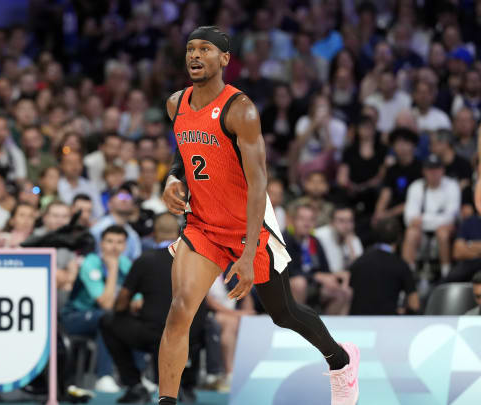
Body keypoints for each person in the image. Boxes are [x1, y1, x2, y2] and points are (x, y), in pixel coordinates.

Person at [158, 27, 358, 405]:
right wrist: (172, 178)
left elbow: (259, 183)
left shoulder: (241, 109)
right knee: (179, 310)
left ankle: (341, 360)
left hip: (248, 223)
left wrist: (248, 253)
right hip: (202, 225)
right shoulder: (176, 104)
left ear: (225, 59)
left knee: (283, 313)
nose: (195, 56)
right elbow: (182, 152)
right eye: (190, 49)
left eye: (205, 49)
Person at [101, 213, 206, 403]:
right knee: (196, 325)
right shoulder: (196, 259)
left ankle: (135, 385)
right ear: (180, 233)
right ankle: (187, 386)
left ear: (154, 234)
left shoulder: (145, 259)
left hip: (155, 333)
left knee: (108, 321)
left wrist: (131, 309)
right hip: (191, 332)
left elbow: (122, 301)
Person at [62, 225, 131, 393]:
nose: (114, 246)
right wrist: (113, 269)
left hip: (105, 317)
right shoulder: (90, 263)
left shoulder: (127, 264)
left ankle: (135, 378)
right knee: (107, 318)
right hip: (74, 317)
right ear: (101, 244)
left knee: (133, 319)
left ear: (125, 246)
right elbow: (106, 304)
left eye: (119, 242)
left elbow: (137, 301)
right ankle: (104, 376)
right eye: (109, 241)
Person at [401, 154, 461, 276]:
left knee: (442, 232)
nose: (434, 173)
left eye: (437, 169)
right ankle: (407, 278)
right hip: (421, 233)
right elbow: (409, 218)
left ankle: (447, 274)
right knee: (411, 233)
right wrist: (436, 219)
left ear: (443, 170)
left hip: (444, 232)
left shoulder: (452, 186)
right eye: (430, 169)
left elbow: (451, 217)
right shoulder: (416, 187)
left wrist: (423, 219)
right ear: (424, 171)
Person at [349, 218, 419, 315]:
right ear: (399, 238)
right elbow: (414, 304)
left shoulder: (359, 262)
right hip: (388, 322)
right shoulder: (401, 265)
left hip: (357, 323)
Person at [90, 188, 143, 260]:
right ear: (109, 204)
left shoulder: (133, 234)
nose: (124, 200)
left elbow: (136, 260)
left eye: (128, 197)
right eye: (121, 196)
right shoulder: (97, 229)